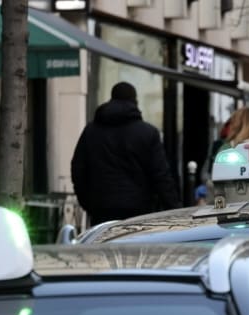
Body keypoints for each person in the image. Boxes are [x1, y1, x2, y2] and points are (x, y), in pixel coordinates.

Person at [71, 81, 180, 225]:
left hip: (102, 210)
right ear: (135, 101)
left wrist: (88, 203)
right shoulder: (148, 133)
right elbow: (161, 176)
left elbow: (78, 169)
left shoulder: (91, 131)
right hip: (139, 211)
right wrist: (174, 210)